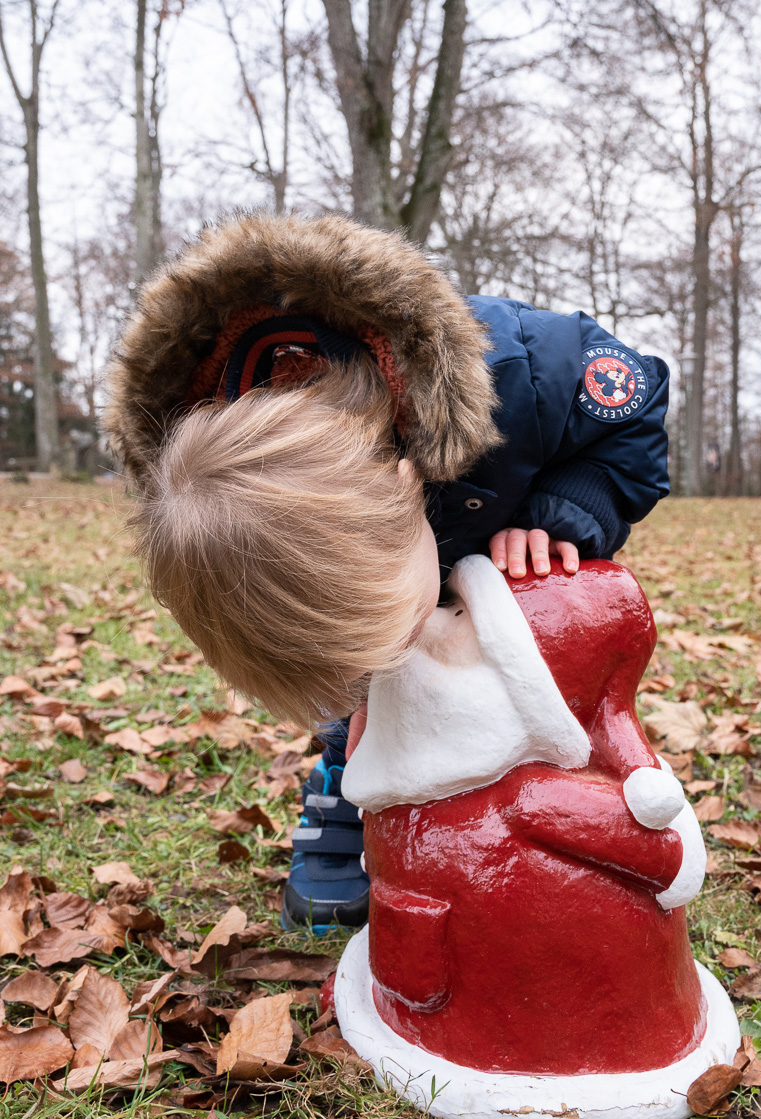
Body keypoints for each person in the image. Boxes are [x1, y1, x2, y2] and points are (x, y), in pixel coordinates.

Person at [104, 211, 671, 930]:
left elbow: (635, 410)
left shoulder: (526, 366)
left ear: (408, 486)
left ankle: (518, 777)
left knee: (502, 675)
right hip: (395, 548)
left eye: (400, 620)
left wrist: (569, 511)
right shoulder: (210, 459)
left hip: (514, 536)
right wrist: (359, 679)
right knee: (368, 667)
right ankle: (350, 782)